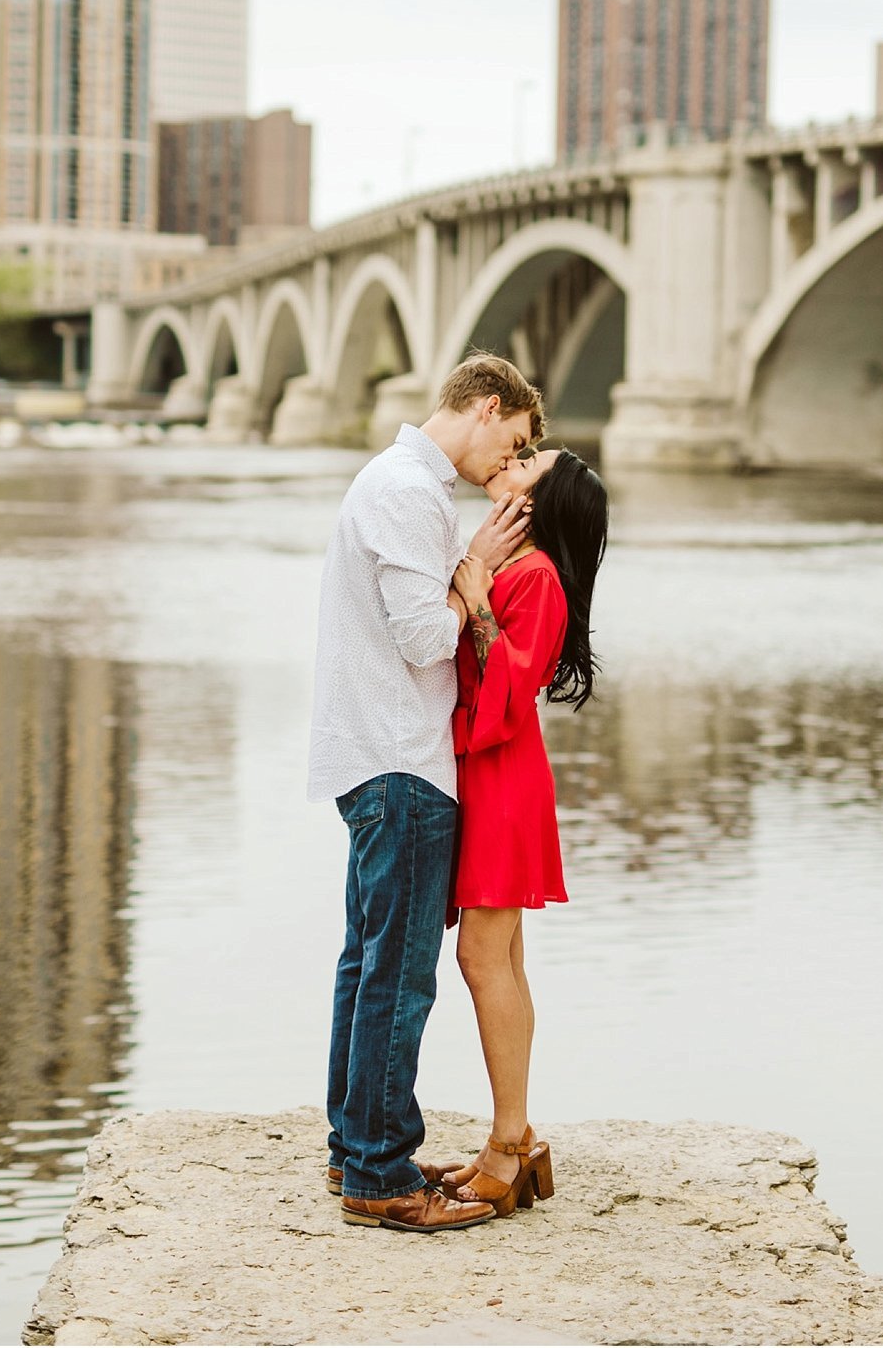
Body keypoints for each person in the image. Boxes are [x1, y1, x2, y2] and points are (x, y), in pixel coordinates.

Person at [315, 353, 542, 1234]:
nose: (506, 463)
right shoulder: (411, 492)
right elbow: (420, 639)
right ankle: (379, 1174)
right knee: (400, 977)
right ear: (488, 409)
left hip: (371, 754)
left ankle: (356, 1146)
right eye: (513, 441)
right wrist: (476, 573)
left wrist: (464, 558)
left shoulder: (395, 482)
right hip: (404, 760)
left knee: (365, 963)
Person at [434, 445, 608, 1218]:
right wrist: (474, 579)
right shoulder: (517, 564)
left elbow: (508, 686)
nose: (515, 457)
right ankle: (517, 1138)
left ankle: (509, 1141)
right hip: (490, 771)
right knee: (502, 958)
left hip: (502, 776)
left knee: (481, 954)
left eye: (529, 461)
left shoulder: (534, 576)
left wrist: (474, 595)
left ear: (537, 501)